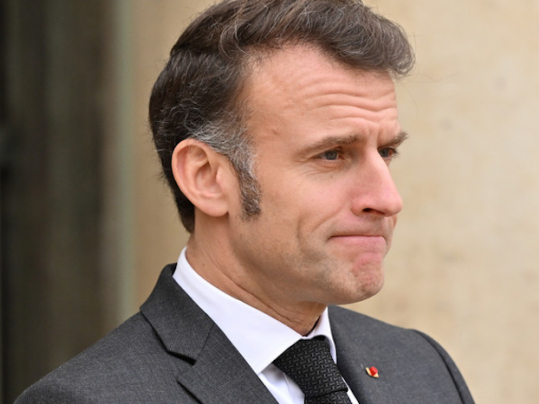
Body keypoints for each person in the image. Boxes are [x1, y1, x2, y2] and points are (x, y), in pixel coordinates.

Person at [15, 0, 475, 403]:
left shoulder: (421, 366)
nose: (387, 199)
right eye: (332, 154)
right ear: (206, 178)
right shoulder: (87, 399)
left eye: (386, 152)